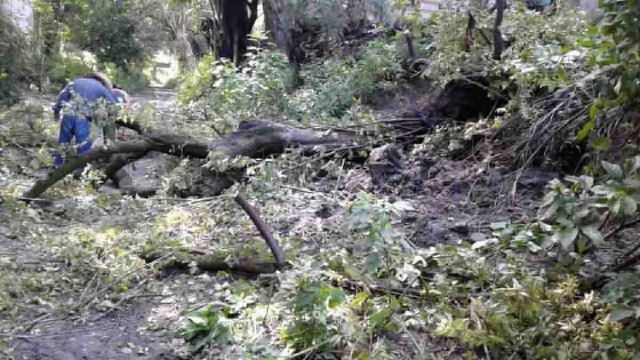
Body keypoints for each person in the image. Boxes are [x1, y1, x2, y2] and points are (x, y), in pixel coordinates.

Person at [52, 73, 118, 168]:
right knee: (83, 146)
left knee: (63, 142)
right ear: (102, 81)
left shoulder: (75, 82)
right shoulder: (101, 88)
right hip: (83, 119)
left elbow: (62, 96)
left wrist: (56, 110)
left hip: (68, 116)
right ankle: (81, 170)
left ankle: (57, 165)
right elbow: (113, 105)